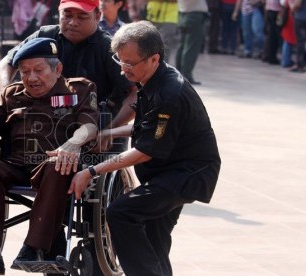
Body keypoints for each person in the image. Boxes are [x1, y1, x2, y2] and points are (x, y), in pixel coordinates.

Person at [70, 21, 221, 276]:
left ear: (154, 59)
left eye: (130, 64)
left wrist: (92, 171)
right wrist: (108, 132)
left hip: (187, 174)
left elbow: (145, 150)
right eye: (120, 61)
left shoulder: (168, 93)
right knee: (154, 237)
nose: (123, 70)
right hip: (167, 171)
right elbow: (144, 127)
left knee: (120, 212)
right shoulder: (153, 79)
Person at [0, 37, 99, 274]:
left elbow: (91, 125)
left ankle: (34, 248)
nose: (31, 78)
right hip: (15, 166)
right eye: (24, 71)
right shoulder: (12, 94)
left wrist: (73, 142)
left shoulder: (79, 90)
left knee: (58, 164)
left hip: (54, 167)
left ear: (57, 69)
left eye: (38, 70)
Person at [0, 0, 137, 151]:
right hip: (49, 122)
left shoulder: (109, 48)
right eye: (67, 15)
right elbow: (7, 63)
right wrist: (5, 91)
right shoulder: (45, 35)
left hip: (96, 126)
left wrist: (110, 130)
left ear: (97, 16)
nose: (73, 23)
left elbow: (134, 94)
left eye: (82, 17)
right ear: (59, 13)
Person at [175, 0, 208, 85]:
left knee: (182, 46)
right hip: (194, 15)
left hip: (183, 14)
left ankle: (178, 73)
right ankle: (186, 75)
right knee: (191, 47)